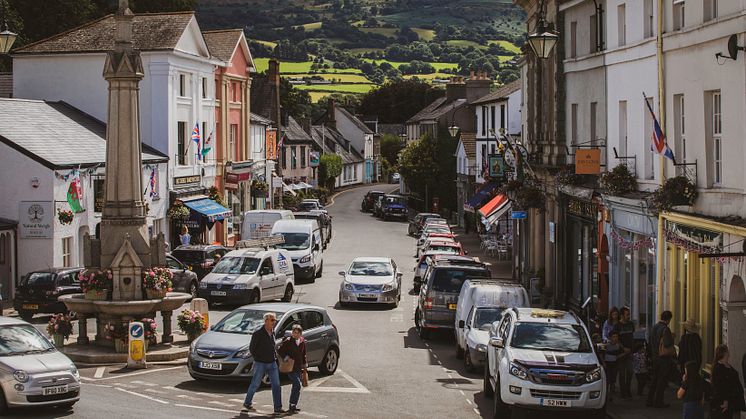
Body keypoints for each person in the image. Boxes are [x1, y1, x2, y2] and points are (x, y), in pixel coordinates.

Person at [243, 312, 285, 415]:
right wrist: (258, 358)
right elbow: (252, 348)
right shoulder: (258, 333)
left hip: (272, 362)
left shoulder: (273, 332)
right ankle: (247, 402)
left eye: (274, 320)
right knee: (255, 384)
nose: (274, 322)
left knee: (276, 385)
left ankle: (278, 408)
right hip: (260, 363)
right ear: (265, 321)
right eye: (272, 320)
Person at [647, 310, 676, 408]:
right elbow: (667, 343)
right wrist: (672, 337)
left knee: (654, 379)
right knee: (662, 380)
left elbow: (650, 341)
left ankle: (649, 400)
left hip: (655, 357)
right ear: (668, 319)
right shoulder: (665, 329)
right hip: (663, 358)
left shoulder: (654, 327)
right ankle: (658, 401)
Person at [278, 324, 308, 413]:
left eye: (297, 333)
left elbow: (304, 353)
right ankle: (292, 404)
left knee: (297, 386)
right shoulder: (288, 341)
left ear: (300, 334)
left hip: (298, 367)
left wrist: (305, 363)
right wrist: (286, 357)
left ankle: (293, 405)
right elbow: (280, 350)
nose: (295, 334)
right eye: (294, 332)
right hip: (290, 367)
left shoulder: (302, 341)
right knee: (297, 384)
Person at [711, 345, 746, 419]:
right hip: (727, 400)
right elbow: (720, 386)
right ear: (723, 353)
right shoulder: (718, 368)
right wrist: (725, 400)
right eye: (727, 351)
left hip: (734, 399)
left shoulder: (726, 364)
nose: (729, 354)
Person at [614, 306, 635, 398]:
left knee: (630, 371)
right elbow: (616, 339)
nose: (628, 316)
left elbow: (632, 336)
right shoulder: (617, 326)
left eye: (629, 314)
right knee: (622, 373)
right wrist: (623, 348)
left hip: (630, 351)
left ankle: (628, 389)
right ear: (622, 315)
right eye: (627, 315)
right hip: (621, 352)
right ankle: (623, 392)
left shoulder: (631, 324)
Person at [604, 330, 626, 401]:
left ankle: (610, 396)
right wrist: (603, 362)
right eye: (613, 337)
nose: (615, 338)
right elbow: (601, 353)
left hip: (614, 363)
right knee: (607, 380)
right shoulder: (606, 345)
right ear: (610, 338)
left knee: (613, 381)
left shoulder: (618, 345)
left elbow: (625, 351)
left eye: (616, 337)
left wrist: (618, 356)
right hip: (607, 364)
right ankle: (606, 395)